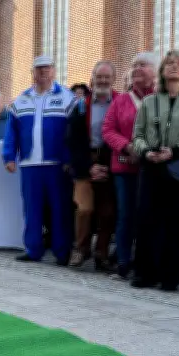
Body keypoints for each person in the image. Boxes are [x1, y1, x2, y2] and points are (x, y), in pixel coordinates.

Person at [131, 50, 179, 291]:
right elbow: (138, 135)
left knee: (174, 223)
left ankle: (169, 277)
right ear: (162, 71)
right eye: (169, 64)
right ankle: (144, 274)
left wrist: (174, 150)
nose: (174, 67)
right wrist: (146, 152)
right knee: (146, 221)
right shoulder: (149, 101)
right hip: (151, 165)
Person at [3, 55, 76, 264]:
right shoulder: (21, 100)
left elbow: (73, 132)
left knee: (59, 209)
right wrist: (9, 156)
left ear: (53, 71)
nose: (43, 72)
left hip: (57, 165)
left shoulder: (66, 97)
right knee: (31, 209)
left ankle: (62, 252)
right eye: (38, 69)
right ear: (32, 73)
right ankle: (33, 249)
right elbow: (12, 132)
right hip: (29, 165)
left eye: (46, 68)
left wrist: (69, 159)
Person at [102, 52, 157, 279]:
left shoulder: (161, 98)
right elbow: (108, 130)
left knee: (149, 215)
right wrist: (127, 147)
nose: (136, 69)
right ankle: (123, 262)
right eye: (133, 65)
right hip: (125, 168)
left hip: (153, 167)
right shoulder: (120, 101)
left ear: (155, 70)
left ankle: (148, 262)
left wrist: (147, 150)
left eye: (142, 65)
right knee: (126, 215)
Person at [67, 61, 119, 271]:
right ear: (92, 78)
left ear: (113, 80)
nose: (103, 80)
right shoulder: (80, 106)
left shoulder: (120, 102)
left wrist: (105, 166)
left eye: (107, 77)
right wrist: (89, 166)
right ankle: (81, 248)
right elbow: (72, 140)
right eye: (99, 76)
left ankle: (102, 252)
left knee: (107, 211)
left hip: (111, 163)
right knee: (84, 208)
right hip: (85, 163)